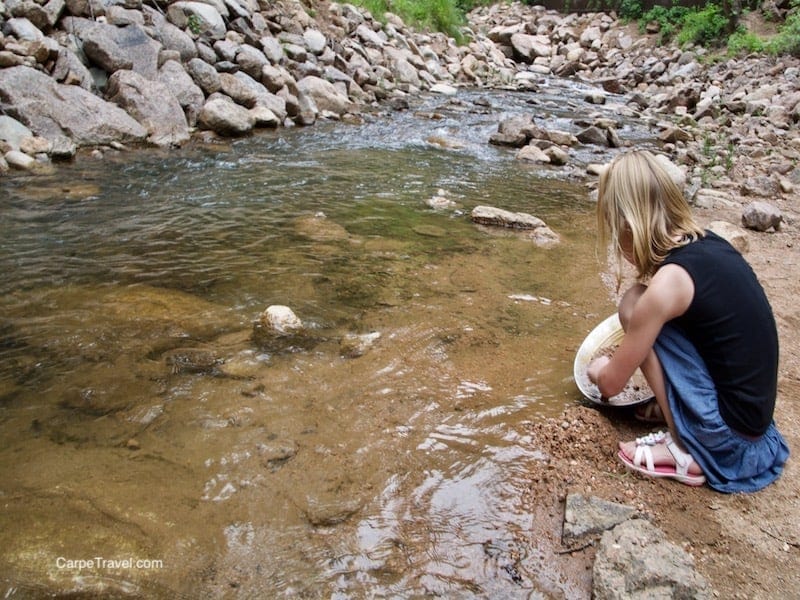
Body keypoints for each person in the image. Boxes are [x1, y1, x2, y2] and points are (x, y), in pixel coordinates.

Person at [587, 149, 789, 493]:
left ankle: (684, 446)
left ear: (628, 225)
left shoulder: (669, 285)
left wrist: (599, 366)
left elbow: (609, 385)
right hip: (755, 426)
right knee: (643, 305)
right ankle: (682, 415)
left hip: (730, 444)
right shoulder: (709, 244)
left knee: (634, 306)